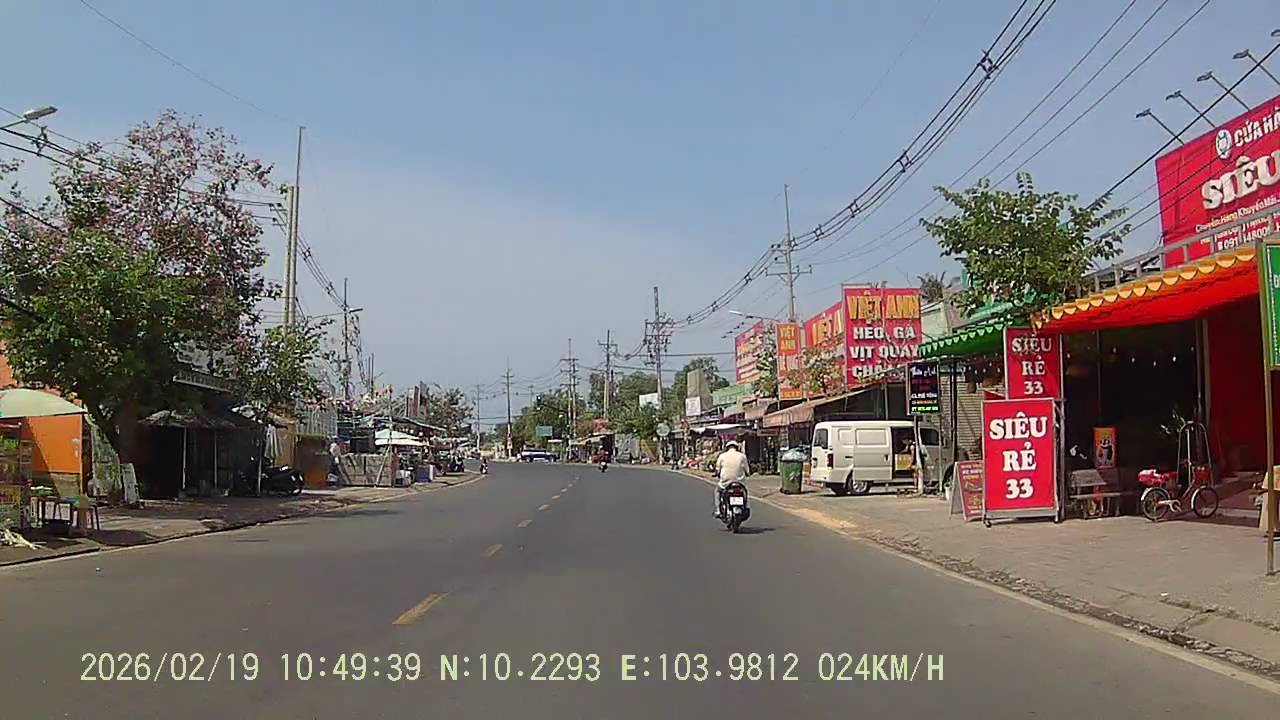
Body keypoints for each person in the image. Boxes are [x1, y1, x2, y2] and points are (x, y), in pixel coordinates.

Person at [714, 441, 750, 518]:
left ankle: (718, 510)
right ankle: (746, 506)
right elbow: (747, 470)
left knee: (717, 491)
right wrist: (747, 474)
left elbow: (717, 469)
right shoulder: (742, 456)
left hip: (725, 482)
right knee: (745, 492)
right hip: (739, 482)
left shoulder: (722, 456)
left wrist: (717, 473)